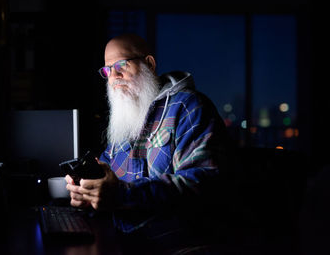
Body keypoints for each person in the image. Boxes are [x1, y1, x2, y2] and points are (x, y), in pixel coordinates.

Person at [65, 33, 230, 253]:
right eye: (107, 69)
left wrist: (123, 194)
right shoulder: (126, 116)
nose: (114, 75)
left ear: (149, 64)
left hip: (178, 245)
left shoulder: (188, 107)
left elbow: (202, 182)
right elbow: (105, 174)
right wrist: (88, 192)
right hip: (124, 242)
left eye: (121, 64)